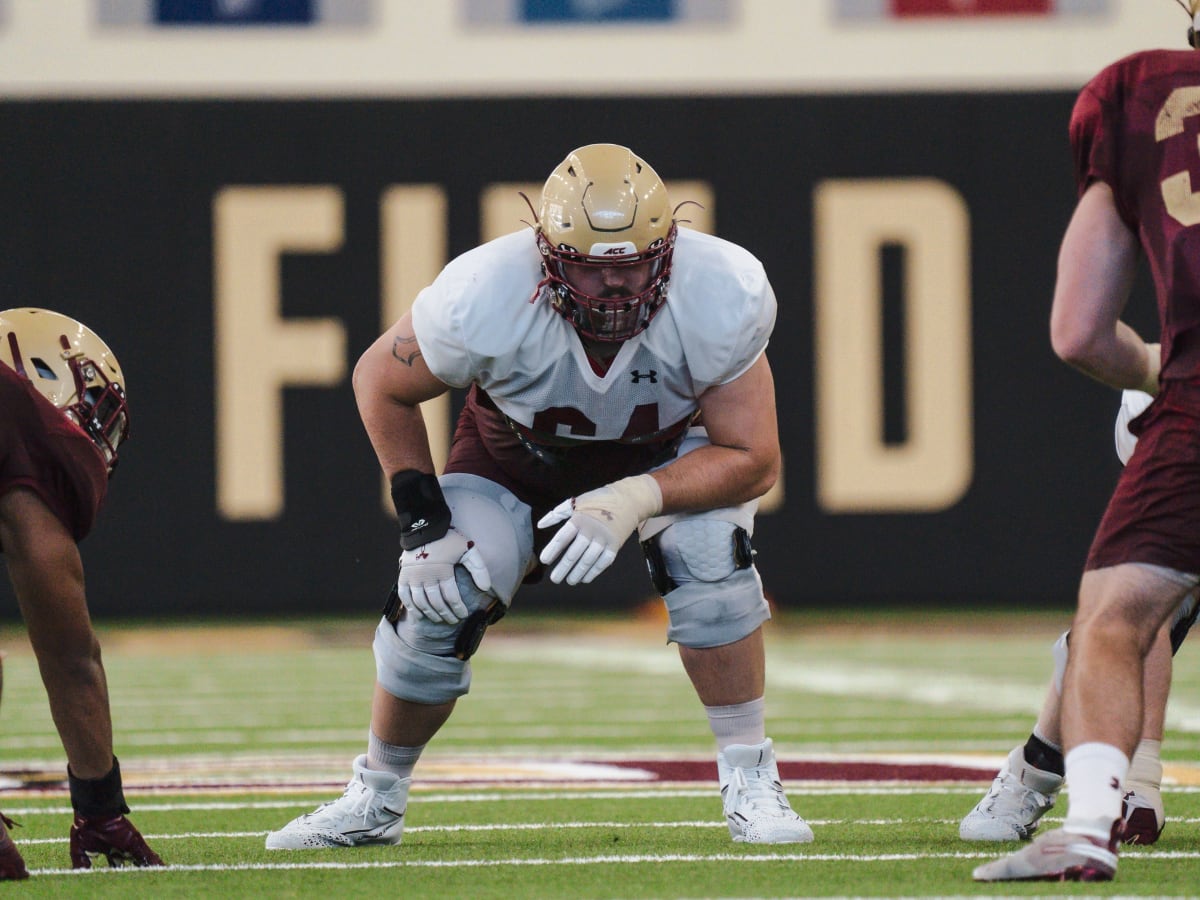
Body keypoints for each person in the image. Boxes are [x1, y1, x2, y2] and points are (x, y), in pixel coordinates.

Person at [266, 143, 812, 850]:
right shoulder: (485, 291)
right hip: (513, 462)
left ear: (669, 251)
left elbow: (752, 457)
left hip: (664, 458)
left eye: (633, 266)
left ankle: (751, 777)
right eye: (591, 268)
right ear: (550, 255)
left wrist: (634, 499)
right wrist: (422, 524)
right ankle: (375, 794)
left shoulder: (722, 290)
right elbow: (380, 380)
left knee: (712, 554)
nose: (615, 290)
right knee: (441, 596)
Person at [975, 3, 1200, 882]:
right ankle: (1101, 785)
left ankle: (1091, 820)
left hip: (1191, 395)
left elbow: (1077, 331)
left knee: (1112, 620)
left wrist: (1153, 367)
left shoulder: (1137, 94)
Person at [962, 391, 1198, 847]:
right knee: (1131, 601)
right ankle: (1039, 771)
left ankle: (1035, 773)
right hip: (1170, 396)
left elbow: (1080, 340)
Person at [0, 308, 163, 878]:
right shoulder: (19, 415)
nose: (98, 426)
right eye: (92, 404)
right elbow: (70, 655)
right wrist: (100, 809)